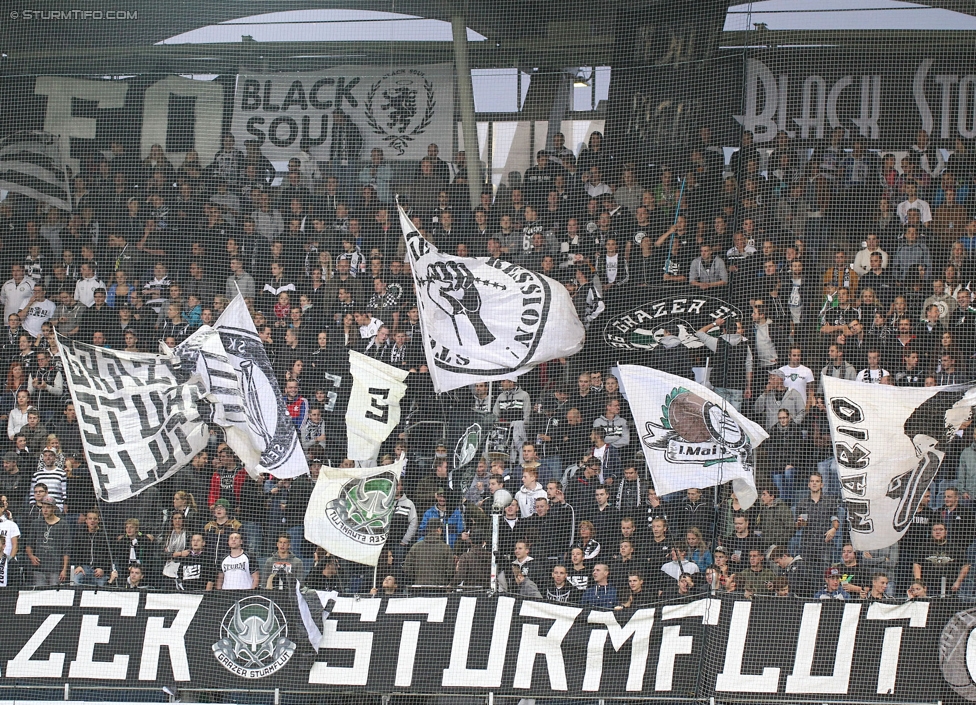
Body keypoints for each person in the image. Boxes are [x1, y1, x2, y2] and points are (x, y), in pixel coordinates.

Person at [23, 495, 69, 585]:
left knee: (54, 594)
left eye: (48, 507)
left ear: (54, 508)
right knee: (40, 594)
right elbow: (29, 544)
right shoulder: (36, 523)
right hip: (39, 568)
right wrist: (31, 556)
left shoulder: (63, 525)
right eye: (43, 507)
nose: (45, 510)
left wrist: (64, 569)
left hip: (55, 568)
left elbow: (66, 549)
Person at [70, 510, 116, 587]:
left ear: (99, 520)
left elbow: (111, 555)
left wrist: (103, 569)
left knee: (102, 586)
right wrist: (78, 566)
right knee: (76, 580)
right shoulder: (80, 534)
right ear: (86, 520)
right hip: (84, 568)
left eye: (94, 519)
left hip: (99, 569)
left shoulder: (106, 535)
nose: (92, 521)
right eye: (90, 518)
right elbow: (75, 552)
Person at [403, 519, 454, 588]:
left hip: (419, 587)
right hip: (439, 588)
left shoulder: (416, 547)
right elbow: (450, 571)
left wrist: (416, 577)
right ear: (439, 530)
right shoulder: (446, 548)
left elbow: (407, 568)